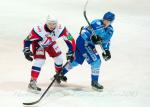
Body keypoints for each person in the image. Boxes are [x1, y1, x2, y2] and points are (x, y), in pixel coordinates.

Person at [56, 12, 115, 91]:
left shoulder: (110, 31)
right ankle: (94, 82)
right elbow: (83, 32)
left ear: (111, 22)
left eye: (108, 21)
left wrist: (106, 50)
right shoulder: (96, 23)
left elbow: (106, 41)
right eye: (104, 20)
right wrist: (91, 38)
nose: (105, 22)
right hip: (84, 42)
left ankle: (60, 74)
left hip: (88, 44)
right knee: (96, 61)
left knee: (76, 61)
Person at [23, 15, 76, 92]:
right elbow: (27, 40)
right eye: (50, 23)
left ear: (57, 23)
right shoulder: (38, 30)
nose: (52, 26)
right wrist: (26, 50)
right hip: (38, 44)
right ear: (46, 23)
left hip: (50, 43)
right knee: (40, 61)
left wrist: (71, 51)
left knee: (59, 58)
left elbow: (70, 40)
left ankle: (58, 75)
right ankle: (32, 82)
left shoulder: (61, 29)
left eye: (54, 23)